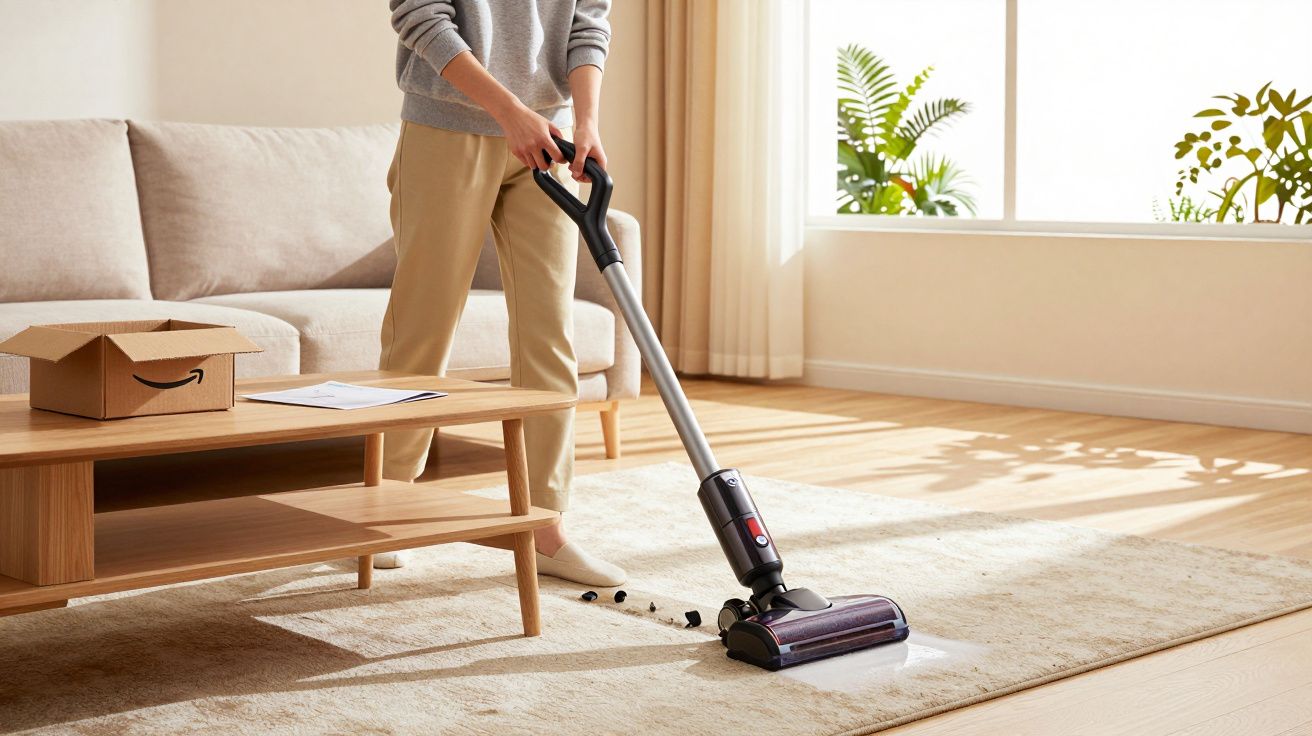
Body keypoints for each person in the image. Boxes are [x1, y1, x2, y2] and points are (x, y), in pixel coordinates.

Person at [374, 0, 624, 586]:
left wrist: (585, 121)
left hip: (550, 137)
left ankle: (544, 527)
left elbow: (588, 24)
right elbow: (421, 19)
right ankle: (383, 504)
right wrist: (510, 113)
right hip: (446, 129)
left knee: (549, 332)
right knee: (424, 324)